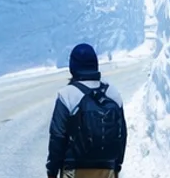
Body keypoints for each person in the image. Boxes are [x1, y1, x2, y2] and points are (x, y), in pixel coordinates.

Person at [47, 43, 127, 178]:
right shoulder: (113, 93)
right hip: (106, 168)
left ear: (73, 66)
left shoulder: (67, 95)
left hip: (74, 168)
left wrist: (52, 171)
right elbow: (122, 134)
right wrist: (116, 166)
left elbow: (57, 137)